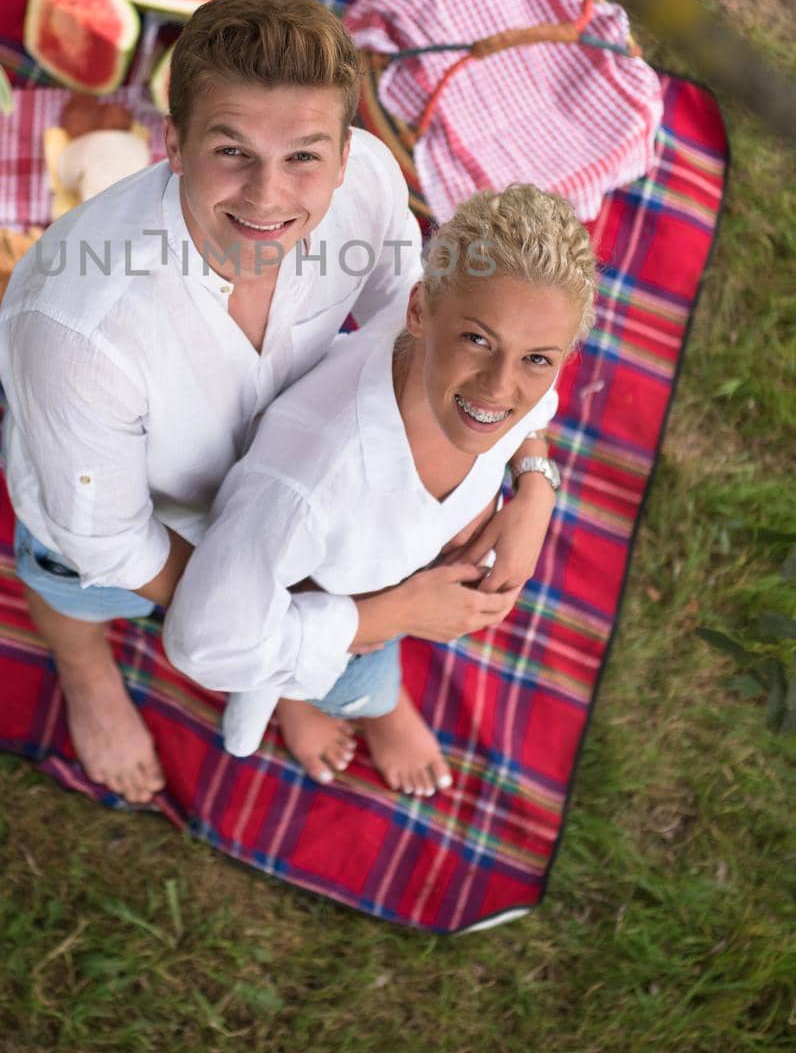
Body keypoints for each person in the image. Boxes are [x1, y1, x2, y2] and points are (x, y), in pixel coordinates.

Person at [0, 0, 424, 804]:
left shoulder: (366, 180)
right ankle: (87, 679)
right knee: (67, 574)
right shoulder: (76, 328)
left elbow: (410, 305)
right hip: (128, 523)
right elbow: (111, 541)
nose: (268, 199)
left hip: (286, 478)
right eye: (233, 151)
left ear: (343, 151)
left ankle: (299, 686)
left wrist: (531, 469)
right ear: (175, 145)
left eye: (303, 156)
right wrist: (283, 619)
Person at [163, 184, 598, 799]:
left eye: (537, 359)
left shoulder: (483, 387)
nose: (501, 388)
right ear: (418, 311)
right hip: (331, 603)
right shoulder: (309, 483)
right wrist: (399, 614)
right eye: (478, 340)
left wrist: (535, 485)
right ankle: (339, 698)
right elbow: (204, 642)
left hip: (394, 568)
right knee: (361, 683)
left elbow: (531, 413)